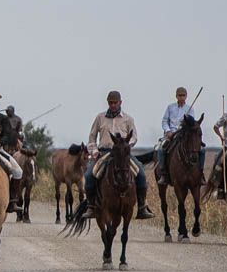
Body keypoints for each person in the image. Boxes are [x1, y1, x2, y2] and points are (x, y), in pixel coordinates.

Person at [76, 91, 155, 221]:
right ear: (108, 103)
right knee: (89, 175)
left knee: (140, 173)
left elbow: (134, 137)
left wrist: (125, 146)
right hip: (104, 152)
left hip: (123, 154)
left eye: (115, 103)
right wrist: (94, 150)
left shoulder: (128, 119)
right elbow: (92, 137)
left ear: (120, 103)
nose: (113, 105)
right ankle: (91, 206)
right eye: (110, 103)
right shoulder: (100, 118)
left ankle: (142, 207)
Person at [159, 86, 205, 171]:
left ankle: (200, 173)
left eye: (183, 95)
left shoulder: (190, 109)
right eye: (179, 95)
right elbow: (164, 121)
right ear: (176, 96)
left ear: (186, 96)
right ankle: (163, 173)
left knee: (202, 150)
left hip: (184, 135)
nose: (181, 97)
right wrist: (168, 131)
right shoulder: (170, 107)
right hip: (171, 135)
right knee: (161, 149)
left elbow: (191, 124)